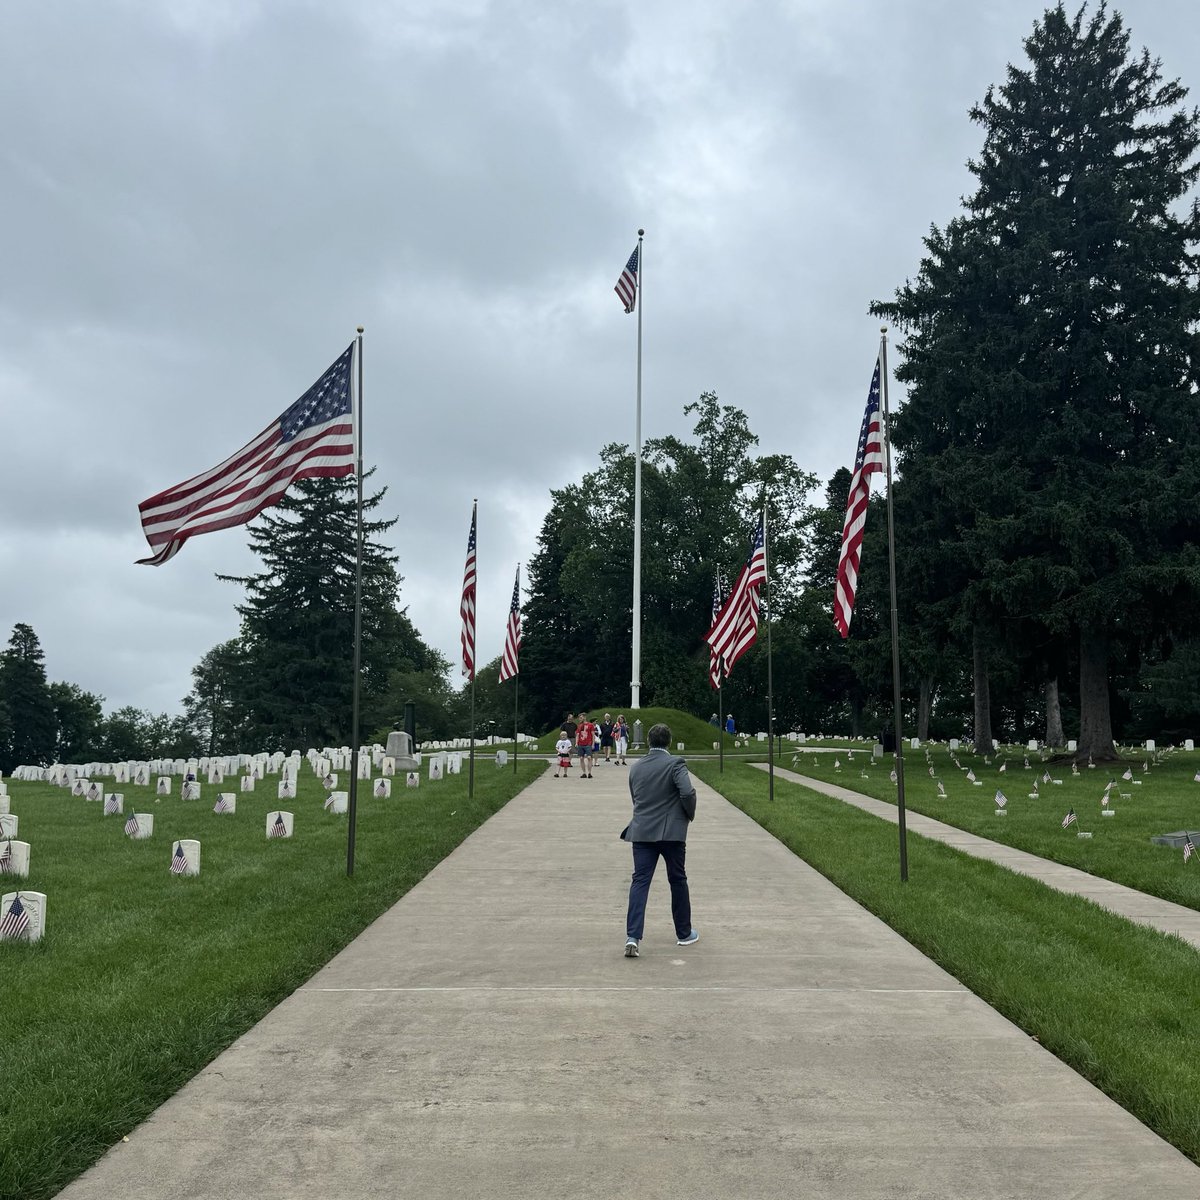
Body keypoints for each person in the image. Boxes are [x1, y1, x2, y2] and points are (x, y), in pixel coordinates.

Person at [620, 722, 699, 957]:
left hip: (642, 832)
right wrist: (688, 814)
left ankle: (633, 936)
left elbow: (636, 796)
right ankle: (684, 933)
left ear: (648, 742)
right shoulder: (676, 764)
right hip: (671, 833)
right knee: (677, 879)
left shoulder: (636, 767)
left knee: (640, 881)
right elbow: (686, 792)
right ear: (670, 742)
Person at [575, 713, 595, 778]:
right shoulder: (579, 726)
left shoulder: (590, 725)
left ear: (584, 717)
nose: (579, 719)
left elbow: (593, 735)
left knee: (589, 757)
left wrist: (593, 744)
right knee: (581, 758)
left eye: (581, 718)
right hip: (581, 743)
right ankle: (584, 773)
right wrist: (576, 743)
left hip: (588, 743)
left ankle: (589, 772)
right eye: (579, 718)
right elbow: (577, 735)